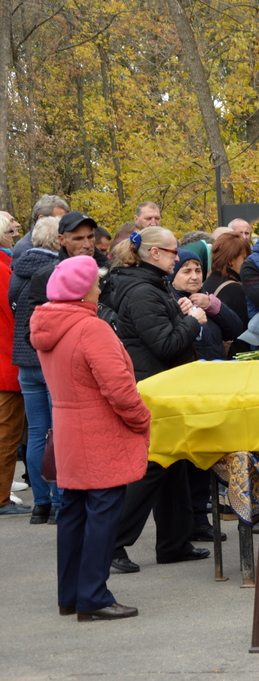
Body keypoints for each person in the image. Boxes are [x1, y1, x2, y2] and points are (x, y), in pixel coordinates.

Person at [29, 256, 149, 620]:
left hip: (68, 429)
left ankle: (72, 594)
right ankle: (94, 596)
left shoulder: (49, 324)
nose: (100, 288)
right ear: (82, 289)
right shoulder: (90, 328)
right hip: (101, 432)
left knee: (73, 512)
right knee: (102, 512)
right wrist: (142, 419)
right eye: (95, 283)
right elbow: (119, 388)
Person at [104, 226, 209, 572]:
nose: (178, 256)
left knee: (173, 463)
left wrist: (179, 312)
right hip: (153, 386)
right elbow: (164, 345)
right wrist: (192, 321)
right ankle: (112, 543)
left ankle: (174, 543)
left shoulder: (152, 286)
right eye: (172, 250)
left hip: (164, 385)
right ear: (153, 254)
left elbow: (161, 333)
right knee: (152, 466)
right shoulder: (141, 291)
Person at [18, 212, 108, 524]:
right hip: (52, 366)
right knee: (46, 433)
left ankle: (48, 504)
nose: (86, 244)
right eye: (78, 238)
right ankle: (51, 502)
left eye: (89, 238)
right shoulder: (49, 274)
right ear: (61, 240)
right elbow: (36, 327)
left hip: (58, 362)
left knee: (45, 431)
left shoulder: (103, 267)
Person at [168, 251, 242, 542]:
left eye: (197, 270)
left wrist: (212, 305)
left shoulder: (206, 299)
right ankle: (185, 523)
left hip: (210, 388)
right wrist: (187, 316)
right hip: (182, 390)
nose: (194, 276)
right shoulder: (169, 301)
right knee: (183, 463)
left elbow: (236, 329)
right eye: (186, 270)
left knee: (203, 460)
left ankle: (199, 520)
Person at [7, 217, 59, 521]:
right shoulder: (54, 271)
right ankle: (59, 500)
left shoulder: (18, 269)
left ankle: (41, 502)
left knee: (37, 432)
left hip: (24, 357)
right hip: (47, 356)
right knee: (58, 431)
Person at [0, 213, 28, 516]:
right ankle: (1, 498)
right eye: (10, 231)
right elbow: (13, 318)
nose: (13, 235)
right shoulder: (3, 269)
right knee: (7, 435)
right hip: (6, 363)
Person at [202, 232, 252, 355]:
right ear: (230, 260)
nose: (248, 263)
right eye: (245, 258)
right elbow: (242, 334)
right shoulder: (235, 289)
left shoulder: (208, 283)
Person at [10, 195, 69, 262]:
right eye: (60, 219)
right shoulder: (24, 249)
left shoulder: (63, 240)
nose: (65, 223)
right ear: (41, 219)